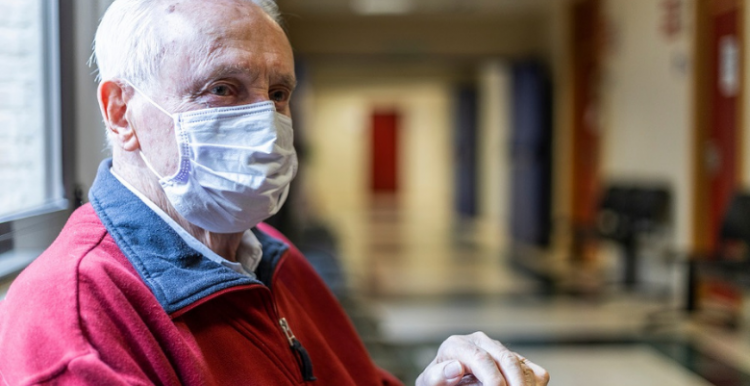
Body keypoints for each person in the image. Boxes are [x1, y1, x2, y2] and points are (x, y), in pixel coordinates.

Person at [0, 0, 549, 385]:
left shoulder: (268, 256)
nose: (264, 121)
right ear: (121, 113)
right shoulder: (77, 325)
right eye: (222, 88)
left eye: (278, 92)